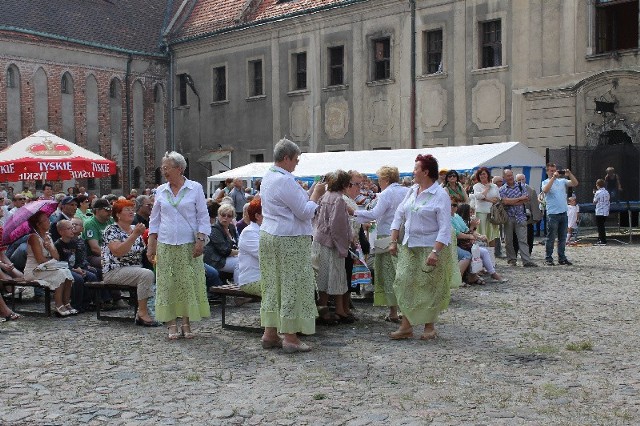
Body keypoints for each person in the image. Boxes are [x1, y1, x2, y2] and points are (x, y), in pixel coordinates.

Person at [259, 138, 325, 353]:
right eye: (296, 159)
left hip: (270, 234)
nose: (297, 163)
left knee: (273, 284)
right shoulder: (284, 180)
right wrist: (316, 195)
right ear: (286, 158)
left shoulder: (268, 177)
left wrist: (309, 194)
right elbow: (305, 211)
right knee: (292, 284)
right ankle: (290, 337)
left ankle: (270, 333)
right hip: (289, 238)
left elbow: (292, 204)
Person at [388, 154, 458, 341]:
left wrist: (436, 251)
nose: (413, 171)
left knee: (429, 287)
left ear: (426, 172)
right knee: (403, 282)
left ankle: (429, 326)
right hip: (410, 246)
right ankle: (407, 325)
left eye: (416, 168)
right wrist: (393, 240)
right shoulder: (412, 191)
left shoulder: (440, 194)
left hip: (430, 247)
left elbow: (444, 227)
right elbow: (399, 215)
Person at [147, 151, 210, 339]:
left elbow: (203, 216)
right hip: (166, 243)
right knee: (167, 283)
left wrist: (200, 240)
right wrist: (151, 244)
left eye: (167, 167)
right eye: (162, 168)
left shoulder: (195, 188)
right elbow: (154, 220)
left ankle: (186, 322)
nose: (164, 171)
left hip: (188, 244)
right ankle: (171, 323)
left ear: (179, 169)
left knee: (187, 283)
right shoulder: (161, 190)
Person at [354, 166, 408, 322]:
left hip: (386, 234)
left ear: (385, 179)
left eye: (379, 179)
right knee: (402, 271)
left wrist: (354, 213)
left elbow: (374, 214)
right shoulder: (406, 191)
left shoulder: (385, 194)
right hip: (403, 234)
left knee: (388, 274)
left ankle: (392, 311)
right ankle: (405, 309)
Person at [102, 199, 158, 327]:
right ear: (118, 214)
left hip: (136, 268)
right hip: (115, 270)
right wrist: (134, 235)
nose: (131, 212)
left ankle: (162, 311)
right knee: (146, 275)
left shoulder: (135, 228)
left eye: (132, 209)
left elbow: (144, 250)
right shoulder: (111, 230)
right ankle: (142, 313)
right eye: (127, 209)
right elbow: (117, 251)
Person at [311, 170, 353, 324]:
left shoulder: (324, 197)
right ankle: (338, 310)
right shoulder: (339, 200)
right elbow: (338, 226)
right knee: (335, 277)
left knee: (322, 277)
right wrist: (345, 243)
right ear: (344, 184)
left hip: (319, 240)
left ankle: (323, 309)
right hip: (331, 244)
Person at [24, 210, 75, 317]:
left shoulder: (48, 236)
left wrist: (50, 247)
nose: (49, 222)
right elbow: (40, 259)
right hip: (35, 270)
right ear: (38, 224)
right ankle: (58, 304)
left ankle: (66, 302)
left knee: (66, 271)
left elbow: (56, 257)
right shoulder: (34, 238)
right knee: (60, 273)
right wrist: (54, 263)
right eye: (45, 220)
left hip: (47, 268)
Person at [455, 203, 507, 283]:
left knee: (483, 248)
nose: (472, 214)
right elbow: (465, 234)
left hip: (467, 244)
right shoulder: (460, 221)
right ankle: (491, 273)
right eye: (470, 212)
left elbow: (472, 233)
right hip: (462, 245)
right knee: (482, 251)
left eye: (472, 212)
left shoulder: (464, 220)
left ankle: (483, 273)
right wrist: (473, 227)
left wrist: (480, 236)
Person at [54, 219, 97, 313]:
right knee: (78, 279)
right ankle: (76, 304)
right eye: (69, 228)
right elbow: (60, 263)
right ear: (61, 232)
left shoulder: (73, 243)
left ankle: (86, 303)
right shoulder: (58, 245)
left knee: (92, 276)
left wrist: (80, 268)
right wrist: (74, 270)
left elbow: (77, 259)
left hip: (75, 268)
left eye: (72, 227)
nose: (72, 230)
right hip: (65, 269)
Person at [540, 163, 579, 266]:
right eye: (551, 170)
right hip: (553, 214)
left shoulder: (562, 181)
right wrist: (553, 178)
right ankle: (548, 258)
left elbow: (575, 183)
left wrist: (569, 174)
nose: (553, 172)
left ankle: (562, 258)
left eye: (555, 170)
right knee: (551, 237)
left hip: (563, 213)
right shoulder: (545, 182)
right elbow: (545, 190)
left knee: (562, 237)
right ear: (547, 171)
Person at [500, 169, 538, 267]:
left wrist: (512, 201)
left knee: (523, 239)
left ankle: (526, 260)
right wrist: (518, 199)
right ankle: (512, 259)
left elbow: (525, 199)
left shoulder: (521, 186)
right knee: (509, 240)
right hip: (508, 217)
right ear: (504, 178)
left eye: (511, 175)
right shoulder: (502, 189)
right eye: (508, 176)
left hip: (521, 216)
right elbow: (505, 202)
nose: (510, 177)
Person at [472, 167, 500, 265]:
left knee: (491, 236)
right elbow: (478, 197)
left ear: (487, 174)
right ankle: (481, 260)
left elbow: (497, 198)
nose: (483, 176)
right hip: (481, 213)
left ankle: (491, 259)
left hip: (491, 213)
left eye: (484, 174)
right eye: (480, 174)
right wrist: (487, 191)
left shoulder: (494, 186)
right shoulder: (477, 186)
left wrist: (487, 198)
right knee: (481, 236)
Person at [235, 198, 263, 296]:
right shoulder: (249, 232)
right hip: (252, 280)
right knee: (285, 291)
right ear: (257, 216)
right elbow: (264, 255)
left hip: (265, 278)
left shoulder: (263, 230)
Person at [205, 203, 240, 275]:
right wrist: (241, 252)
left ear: (232, 218)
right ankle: (238, 285)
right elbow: (224, 251)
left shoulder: (231, 227)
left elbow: (237, 244)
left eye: (229, 216)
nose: (226, 217)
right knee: (240, 264)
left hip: (230, 256)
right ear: (218, 215)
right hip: (217, 260)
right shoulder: (214, 229)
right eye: (223, 215)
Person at [515, 173, 543, 255]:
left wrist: (536, 217)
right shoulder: (513, 189)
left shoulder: (531, 190)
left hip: (528, 217)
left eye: (522, 179)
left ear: (525, 179)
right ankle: (516, 252)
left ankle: (529, 252)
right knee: (516, 236)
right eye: (518, 180)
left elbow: (534, 204)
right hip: (516, 216)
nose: (521, 181)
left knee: (529, 236)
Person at [593, 179, 610, 246]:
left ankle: (602, 240)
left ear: (597, 185)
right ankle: (601, 238)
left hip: (599, 211)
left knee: (600, 226)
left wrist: (594, 194)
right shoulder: (607, 192)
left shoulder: (598, 192)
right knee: (602, 225)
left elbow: (594, 202)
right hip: (605, 211)